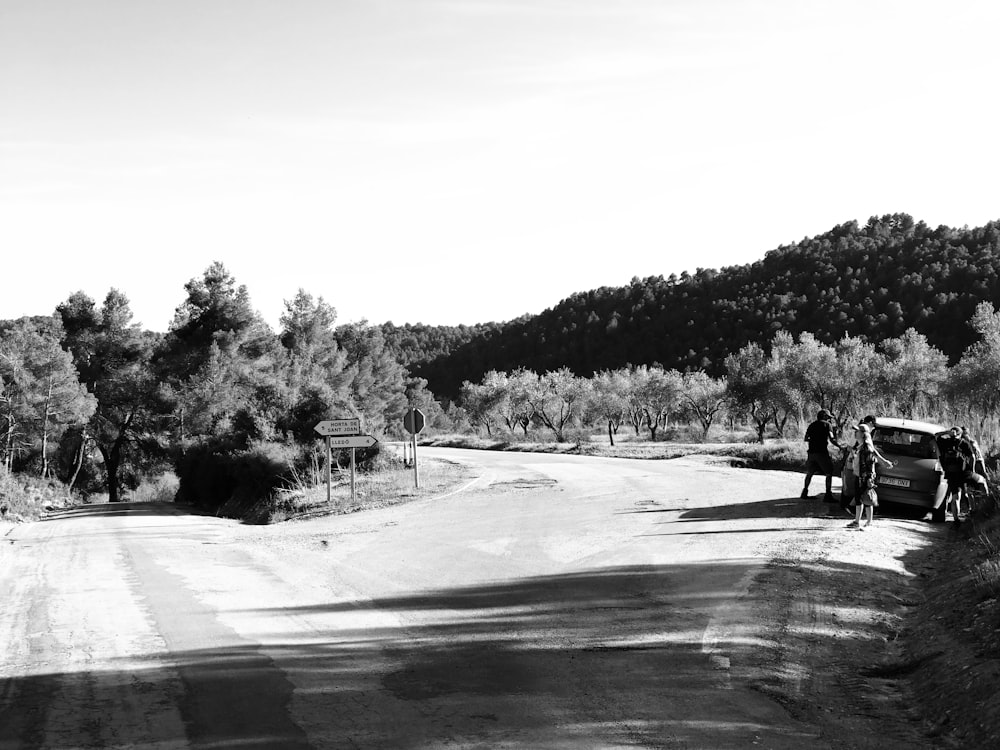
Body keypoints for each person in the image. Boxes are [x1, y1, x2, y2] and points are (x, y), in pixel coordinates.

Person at [848, 423, 893, 529]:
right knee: (859, 498)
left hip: (865, 476)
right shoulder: (859, 446)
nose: (855, 433)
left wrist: (883, 462)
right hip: (859, 475)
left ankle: (868, 522)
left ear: (863, 434)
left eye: (857, 431)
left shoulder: (866, 447)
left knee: (867, 499)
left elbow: (872, 458)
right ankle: (857, 521)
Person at [801, 409, 843, 502]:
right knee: (829, 473)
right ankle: (828, 495)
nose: (829, 419)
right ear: (824, 417)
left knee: (810, 473)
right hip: (821, 453)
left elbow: (806, 438)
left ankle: (804, 492)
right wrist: (839, 446)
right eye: (828, 417)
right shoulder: (827, 425)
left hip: (811, 453)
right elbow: (832, 439)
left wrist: (814, 440)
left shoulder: (812, 425)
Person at [937, 426, 976, 523]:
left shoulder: (946, 442)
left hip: (950, 473)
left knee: (955, 497)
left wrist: (946, 432)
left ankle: (956, 519)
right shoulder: (963, 443)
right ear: (961, 434)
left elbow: (936, 436)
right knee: (965, 494)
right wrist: (972, 470)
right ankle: (972, 512)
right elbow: (972, 457)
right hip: (962, 473)